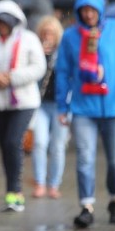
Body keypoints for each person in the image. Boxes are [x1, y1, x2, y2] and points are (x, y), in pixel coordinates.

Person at [55, 0, 115, 229]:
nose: (88, 14)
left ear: (100, 9)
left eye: (92, 9)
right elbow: (63, 73)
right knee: (85, 158)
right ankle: (86, 206)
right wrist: (62, 106)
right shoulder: (70, 37)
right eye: (83, 9)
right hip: (83, 108)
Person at [0, 0, 46, 213]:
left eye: (7, 22)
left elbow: (38, 68)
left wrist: (12, 78)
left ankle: (15, 191)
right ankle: (11, 190)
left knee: (14, 141)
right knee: (5, 145)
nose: (3, 27)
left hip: (24, 102)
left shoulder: (29, 39)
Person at [30, 15, 70, 199]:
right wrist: (42, 57)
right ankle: (40, 182)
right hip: (40, 104)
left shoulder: (64, 52)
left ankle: (54, 184)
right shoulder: (35, 51)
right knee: (39, 143)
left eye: (51, 33)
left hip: (61, 105)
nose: (48, 36)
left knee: (58, 145)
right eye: (45, 33)